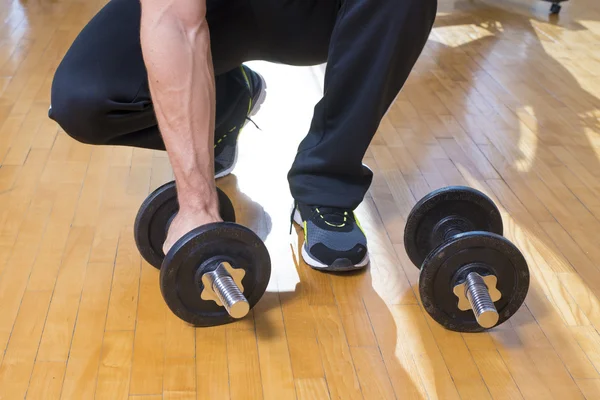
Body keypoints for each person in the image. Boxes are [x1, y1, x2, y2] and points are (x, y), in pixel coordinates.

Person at [49, 0, 437, 272]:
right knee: (86, 101)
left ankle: (326, 184)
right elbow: (174, 21)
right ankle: (228, 104)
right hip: (221, 9)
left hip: (317, 12)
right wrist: (197, 206)